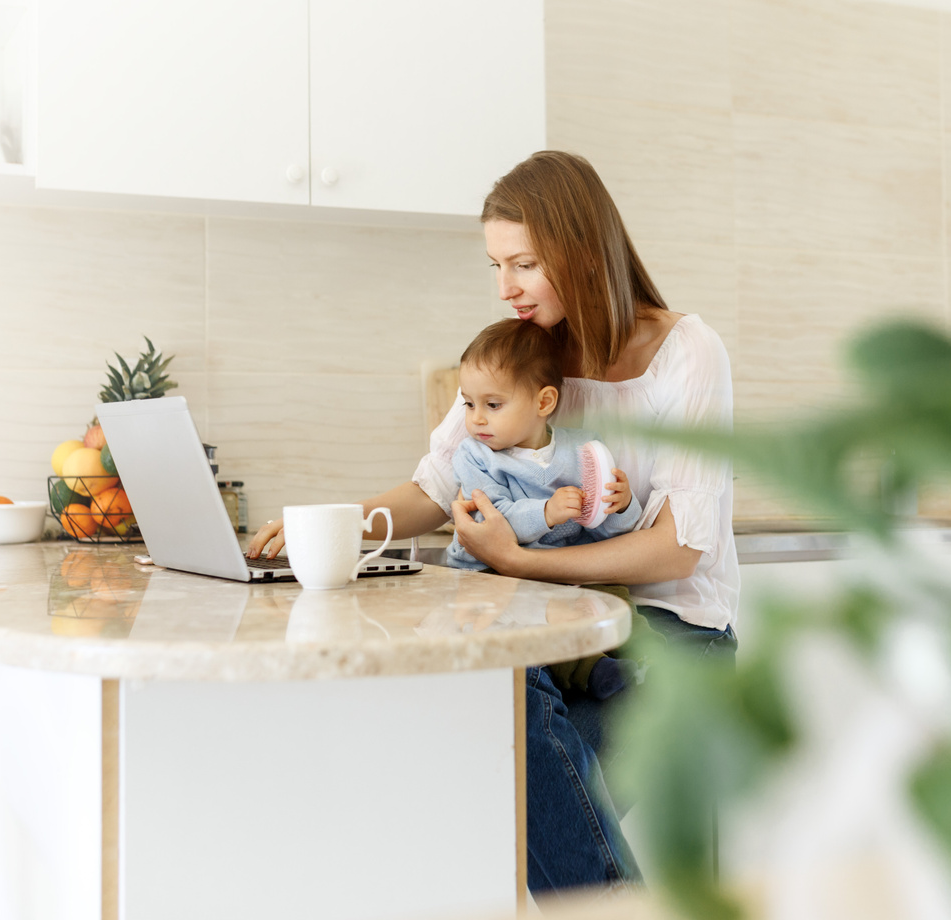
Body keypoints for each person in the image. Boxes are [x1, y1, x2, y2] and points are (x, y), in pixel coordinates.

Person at [248, 150, 740, 896]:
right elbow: (436, 485)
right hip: (557, 628)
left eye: (524, 264)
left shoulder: (685, 354)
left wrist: (518, 561)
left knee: (520, 792)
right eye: (496, 265)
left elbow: (677, 549)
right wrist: (337, 525)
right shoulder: (525, 356)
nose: (505, 287)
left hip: (671, 637)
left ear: (580, 252)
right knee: (505, 748)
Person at [447, 317, 645, 701]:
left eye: (492, 404)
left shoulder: (583, 448)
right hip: (497, 575)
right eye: (469, 404)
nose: (477, 418)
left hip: (564, 569)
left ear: (544, 402)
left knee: (614, 596)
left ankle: (647, 655)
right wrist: (547, 513)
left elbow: (608, 533)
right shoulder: (476, 456)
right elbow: (495, 520)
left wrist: (620, 505)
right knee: (532, 625)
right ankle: (591, 672)